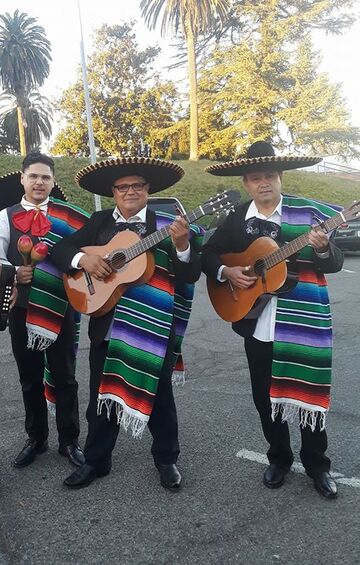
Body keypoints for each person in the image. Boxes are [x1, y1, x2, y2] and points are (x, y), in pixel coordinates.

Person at [202, 141, 344, 499]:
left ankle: (317, 465)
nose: (262, 183)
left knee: (307, 393)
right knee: (265, 396)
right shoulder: (238, 217)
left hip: (304, 322)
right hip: (258, 319)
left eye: (268, 176)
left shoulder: (309, 214)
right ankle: (279, 458)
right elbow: (209, 253)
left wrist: (323, 247)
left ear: (280, 177)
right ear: (247, 184)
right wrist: (227, 271)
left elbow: (333, 262)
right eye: (254, 178)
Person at [51, 157, 203, 490]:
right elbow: (61, 250)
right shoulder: (99, 222)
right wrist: (85, 260)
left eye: (137, 185)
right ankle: (96, 461)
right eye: (123, 187)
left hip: (152, 327)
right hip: (107, 321)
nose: (130, 191)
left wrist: (181, 245)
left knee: (160, 396)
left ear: (148, 189)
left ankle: (166, 459)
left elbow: (190, 275)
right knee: (100, 396)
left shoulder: (166, 224)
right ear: (113, 192)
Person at [0, 152, 88, 469]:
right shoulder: (5, 216)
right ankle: (36, 438)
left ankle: (69, 441)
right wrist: (13, 272)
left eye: (46, 177)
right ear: (22, 178)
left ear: (53, 182)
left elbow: (90, 245)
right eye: (34, 176)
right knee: (30, 378)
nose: (39, 182)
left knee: (65, 377)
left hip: (60, 306)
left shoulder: (67, 217)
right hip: (22, 310)